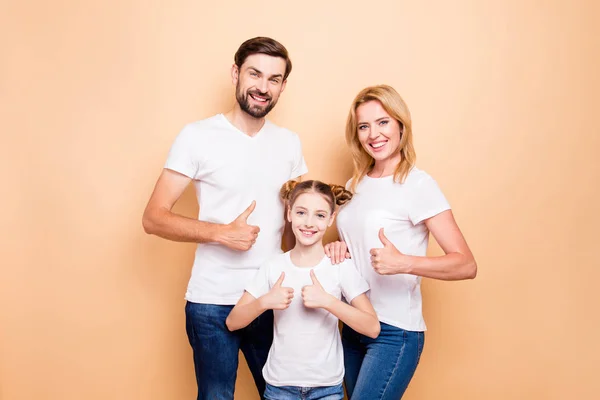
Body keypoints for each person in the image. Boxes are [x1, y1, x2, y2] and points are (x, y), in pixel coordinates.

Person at [142, 37, 307, 400]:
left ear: (282, 86)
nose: (263, 87)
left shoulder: (290, 144)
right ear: (236, 73)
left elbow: (302, 221)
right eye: (255, 74)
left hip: (271, 297)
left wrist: (326, 262)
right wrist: (221, 233)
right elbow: (154, 217)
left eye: (274, 79)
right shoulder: (197, 136)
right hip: (211, 301)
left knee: (284, 393)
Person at [325, 85, 477, 399]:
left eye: (383, 122)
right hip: (353, 322)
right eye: (364, 126)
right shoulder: (357, 183)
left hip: (394, 332)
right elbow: (357, 248)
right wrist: (338, 249)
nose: (373, 134)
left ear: (400, 126)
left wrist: (404, 262)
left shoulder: (418, 184)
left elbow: (466, 263)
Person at [226, 180, 381, 400]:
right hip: (279, 388)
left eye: (319, 215)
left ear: (331, 219)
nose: (309, 223)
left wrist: (328, 301)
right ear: (289, 214)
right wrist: (265, 302)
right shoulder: (273, 266)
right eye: (301, 212)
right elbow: (233, 322)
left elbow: (372, 327)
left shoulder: (340, 266)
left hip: (327, 388)